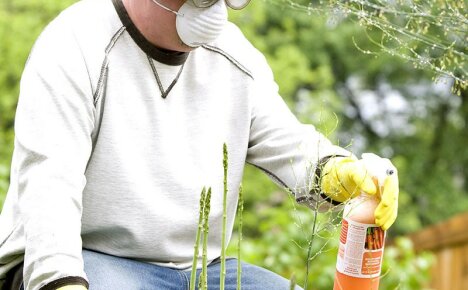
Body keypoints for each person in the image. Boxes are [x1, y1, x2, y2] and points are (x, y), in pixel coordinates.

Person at [0, 0, 399, 289]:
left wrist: (338, 172)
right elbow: (50, 187)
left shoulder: (234, 53)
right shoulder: (75, 43)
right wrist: (60, 281)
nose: (214, 11)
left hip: (200, 270)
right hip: (88, 261)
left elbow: (288, 144)